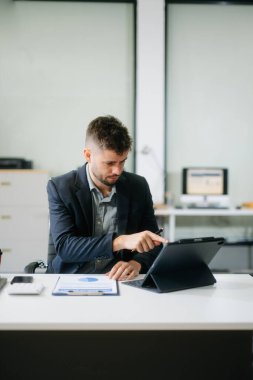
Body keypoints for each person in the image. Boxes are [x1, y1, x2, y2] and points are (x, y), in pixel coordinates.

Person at [47, 115, 167, 280]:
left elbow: (153, 242)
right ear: (88, 155)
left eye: (122, 162)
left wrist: (136, 264)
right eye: (110, 163)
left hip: (119, 280)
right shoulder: (61, 187)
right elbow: (65, 247)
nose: (117, 170)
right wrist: (120, 241)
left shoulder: (138, 186)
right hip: (72, 278)